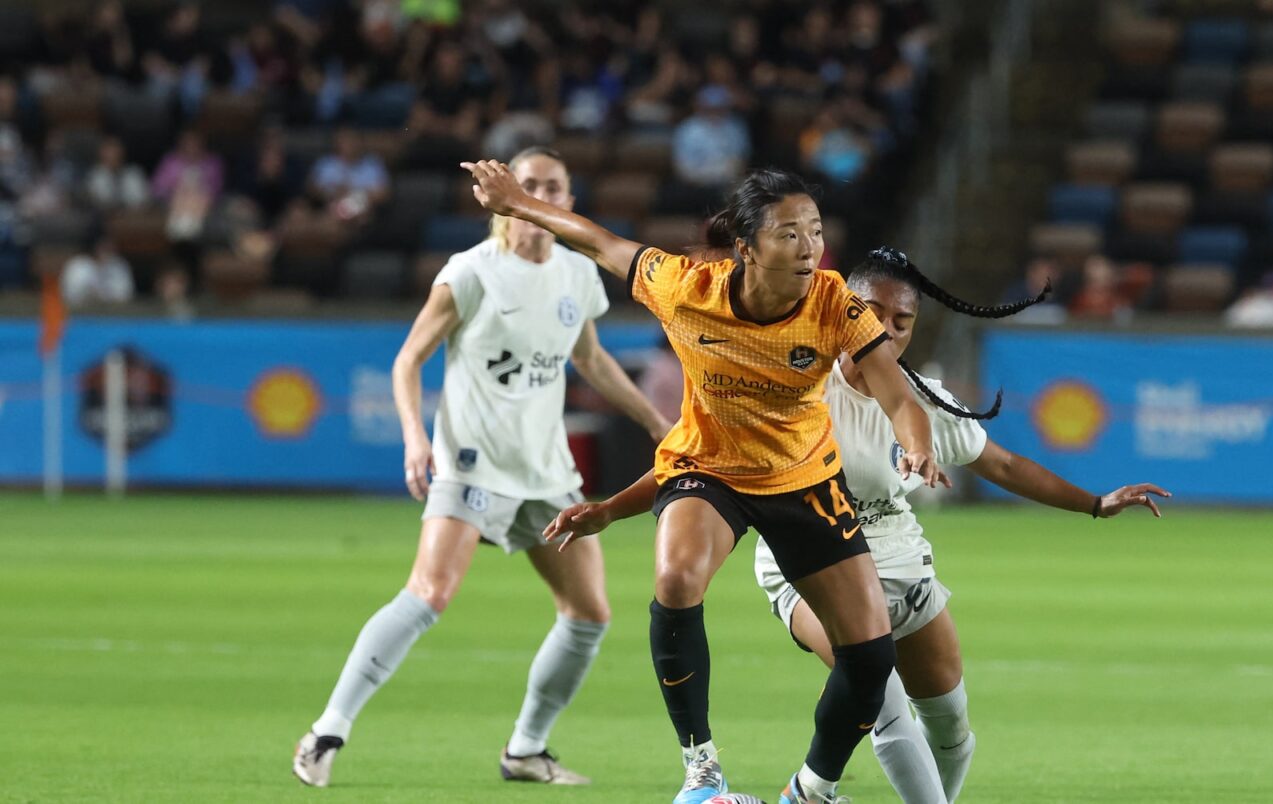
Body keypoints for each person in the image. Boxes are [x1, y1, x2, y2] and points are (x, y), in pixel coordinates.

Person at [462, 160, 1025, 804]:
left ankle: (810, 790)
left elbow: (899, 398)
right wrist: (515, 202)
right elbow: (597, 240)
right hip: (708, 470)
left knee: (870, 662)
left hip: (802, 480)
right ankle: (702, 774)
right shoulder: (684, 286)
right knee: (676, 578)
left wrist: (918, 446)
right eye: (789, 233)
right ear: (747, 246)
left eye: (814, 230)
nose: (809, 246)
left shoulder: (835, 301)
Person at [545, 247, 1167, 803]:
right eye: (873, 313)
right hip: (808, 564)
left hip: (900, 559)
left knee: (949, 723)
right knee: (882, 699)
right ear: (846, 308)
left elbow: (1000, 462)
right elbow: (697, 463)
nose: (886, 331)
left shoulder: (922, 397)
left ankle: (814, 795)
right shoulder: (793, 384)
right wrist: (610, 509)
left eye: (903, 322)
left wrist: (1094, 502)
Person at [292, 147, 672, 789]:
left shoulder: (578, 276)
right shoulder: (470, 273)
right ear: (500, 194)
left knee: (589, 614)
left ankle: (526, 749)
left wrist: (658, 425)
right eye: (530, 184)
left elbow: (592, 360)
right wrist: (417, 439)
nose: (544, 194)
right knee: (429, 594)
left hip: (546, 472)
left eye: (555, 186)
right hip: (471, 462)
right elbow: (408, 359)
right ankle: (327, 731)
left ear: (570, 203)